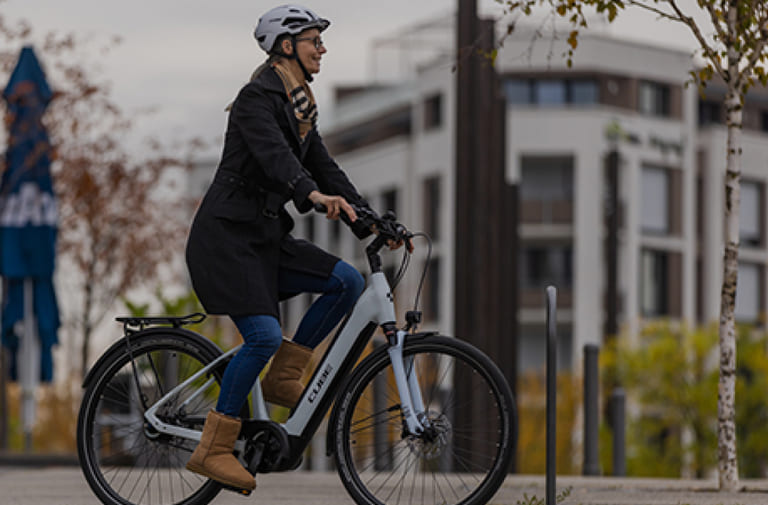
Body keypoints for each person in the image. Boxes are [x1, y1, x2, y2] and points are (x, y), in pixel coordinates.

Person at [184, 4, 402, 491]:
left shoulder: (299, 107)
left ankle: (284, 375)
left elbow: (327, 168)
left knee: (345, 281)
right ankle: (214, 447)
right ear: (287, 47)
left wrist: (371, 221)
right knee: (261, 336)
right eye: (313, 40)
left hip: (263, 239)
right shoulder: (254, 100)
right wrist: (309, 195)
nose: (322, 48)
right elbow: (275, 158)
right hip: (225, 240)